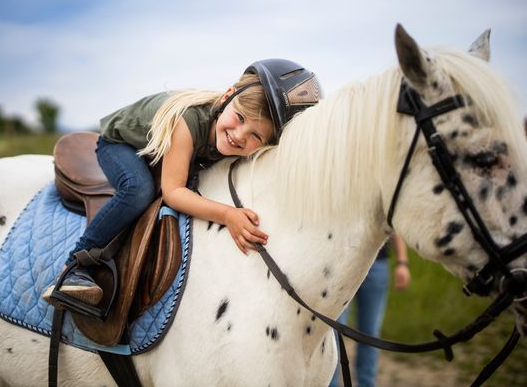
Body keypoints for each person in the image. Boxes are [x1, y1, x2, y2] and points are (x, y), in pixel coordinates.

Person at [43, 59, 323, 307]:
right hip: (118, 145)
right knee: (138, 190)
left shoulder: (229, 136)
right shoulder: (187, 122)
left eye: (256, 137)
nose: (239, 136)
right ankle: (75, 265)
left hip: (164, 149)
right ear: (227, 96)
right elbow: (174, 192)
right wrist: (228, 214)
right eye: (239, 119)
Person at [329, 234, 411, 387]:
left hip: (377, 264)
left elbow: (392, 219)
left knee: (370, 334)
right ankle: (331, 384)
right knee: (335, 331)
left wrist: (402, 262)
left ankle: (366, 383)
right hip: (343, 262)